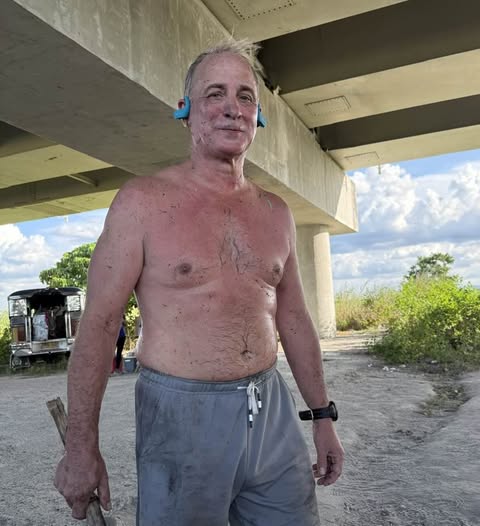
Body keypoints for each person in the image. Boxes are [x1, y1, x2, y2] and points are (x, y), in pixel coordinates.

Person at [54, 40, 344, 525]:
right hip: (180, 415)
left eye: (245, 96)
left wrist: (321, 416)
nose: (232, 108)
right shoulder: (142, 202)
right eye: (215, 94)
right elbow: (100, 324)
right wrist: (81, 447)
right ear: (185, 111)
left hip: (269, 407)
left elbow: (294, 319)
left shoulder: (276, 213)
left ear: (258, 117)